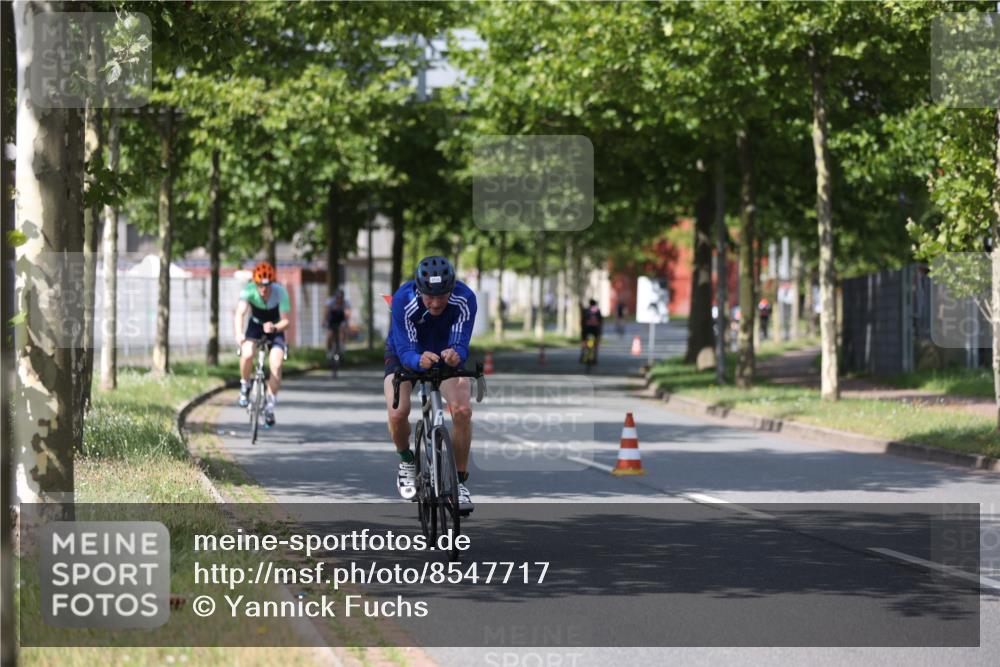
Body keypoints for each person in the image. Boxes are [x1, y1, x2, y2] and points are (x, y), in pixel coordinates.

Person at [384, 256, 478, 513]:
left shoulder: (465, 298)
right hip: (405, 354)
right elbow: (405, 349)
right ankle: (406, 460)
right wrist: (417, 360)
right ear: (419, 289)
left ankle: (459, 483)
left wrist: (456, 353)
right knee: (398, 411)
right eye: (429, 297)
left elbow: (461, 340)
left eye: (442, 296)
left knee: (463, 410)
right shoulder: (403, 299)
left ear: (452, 289)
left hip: (444, 355)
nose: (435, 303)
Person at [234, 261, 291, 427]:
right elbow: (240, 313)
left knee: (276, 364)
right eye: (260, 285)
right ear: (255, 283)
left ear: (272, 283)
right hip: (256, 326)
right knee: (247, 353)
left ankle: (270, 406)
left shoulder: (280, 292)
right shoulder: (248, 290)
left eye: (267, 286)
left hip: (275, 327)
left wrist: (275, 327)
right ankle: (245, 386)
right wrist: (239, 333)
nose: (263, 290)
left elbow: (286, 321)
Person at [324, 288, 352, 360]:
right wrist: (325, 321)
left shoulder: (346, 302)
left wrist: (346, 321)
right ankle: (329, 351)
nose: (339, 300)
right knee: (329, 334)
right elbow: (326, 313)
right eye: (337, 298)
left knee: (343, 329)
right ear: (335, 297)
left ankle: (342, 347)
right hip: (332, 318)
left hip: (341, 318)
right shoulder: (330, 302)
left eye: (341, 298)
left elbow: (347, 314)